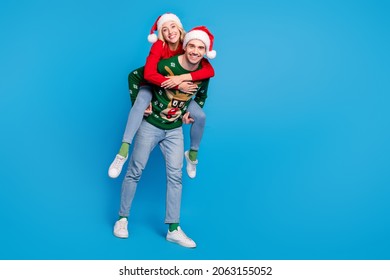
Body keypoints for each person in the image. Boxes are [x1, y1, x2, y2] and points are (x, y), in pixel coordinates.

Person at [113, 26, 217, 248]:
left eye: (200, 48)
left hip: (175, 130)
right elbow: (138, 75)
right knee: (135, 171)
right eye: (192, 46)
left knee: (176, 178)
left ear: (205, 51)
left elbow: (201, 97)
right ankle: (122, 219)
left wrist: (191, 112)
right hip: (150, 126)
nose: (195, 51)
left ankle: (173, 229)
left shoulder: (205, 72)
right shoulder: (166, 65)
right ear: (184, 47)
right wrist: (139, 104)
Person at [108, 13, 215, 179]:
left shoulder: (190, 44)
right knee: (141, 101)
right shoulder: (159, 46)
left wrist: (181, 79)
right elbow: (146, 74)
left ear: (180, 29)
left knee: (200, 115)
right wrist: (175, 83)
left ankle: (192, 154)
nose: (170, 32)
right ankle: (123, 151)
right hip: (153, 87)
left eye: (173, 26)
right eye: (164, 29)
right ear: (160, 34)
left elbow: (209, 71)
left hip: (178, 96)